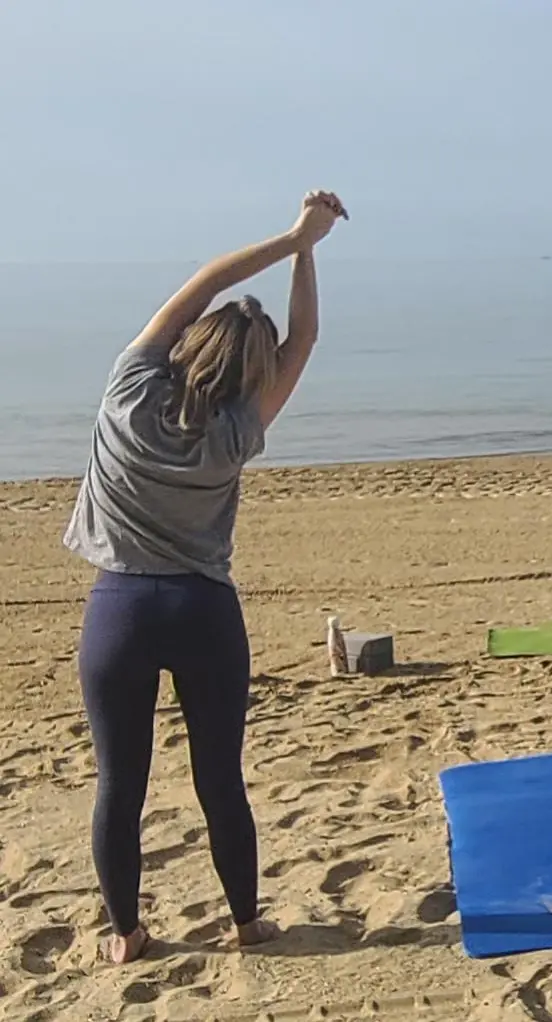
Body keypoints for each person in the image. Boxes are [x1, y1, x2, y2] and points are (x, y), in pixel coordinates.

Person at [64, 191, 348, 963]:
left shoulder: (128, 391)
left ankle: (127, 937)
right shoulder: (237, 432)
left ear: (190, 344)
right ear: (251, 370)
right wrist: (310, 252)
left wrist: (289, 236)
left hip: (119, 610)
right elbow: (306, 338)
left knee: (121, 785)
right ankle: (248, 924)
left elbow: (207, 281)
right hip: (202, 612)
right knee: (220, 778)